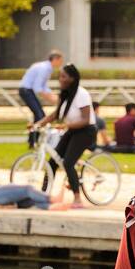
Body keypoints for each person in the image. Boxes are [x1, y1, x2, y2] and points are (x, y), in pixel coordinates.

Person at [28, 63, 95, 206]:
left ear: (72, 78)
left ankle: (78, 199)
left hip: (85, 131)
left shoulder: (81, 94)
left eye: (63, 76)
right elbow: (55, 114)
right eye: (60, 76)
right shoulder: (65, 95)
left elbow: (85, 119)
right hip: (72, 130)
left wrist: (67, 125)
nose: (60, 79)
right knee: (52, 162)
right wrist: (38, 124)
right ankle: (42, 195)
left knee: (68, 163)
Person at [19, 50, 63, 142]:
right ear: (55, 59)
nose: (61, 63)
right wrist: (51, 99)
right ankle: (35, 139)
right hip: (26, 90)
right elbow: (38, 88)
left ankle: (33, 140)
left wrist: (53, 96)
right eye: (60, 60)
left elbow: (44, 86)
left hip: (27, 90)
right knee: (40, 115)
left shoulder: (46, 67)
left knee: (38, 115)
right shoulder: (45, 68)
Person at [0, 178, 73, 210]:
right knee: (27, 189)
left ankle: (50, 207)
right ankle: (53, 199)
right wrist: (3, 208)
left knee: (27, 200)